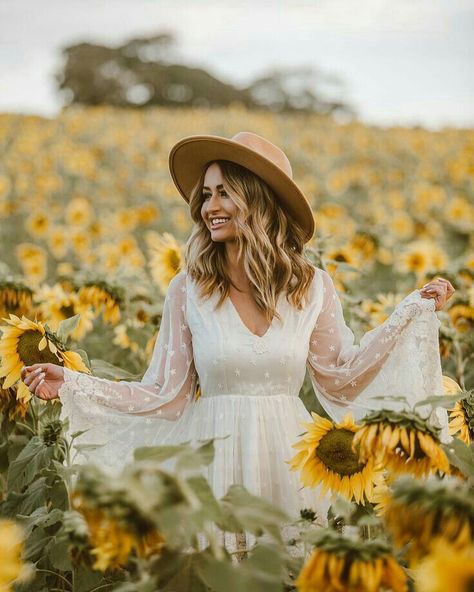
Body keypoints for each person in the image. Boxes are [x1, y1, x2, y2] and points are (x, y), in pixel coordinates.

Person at [21, 131, 454, 555]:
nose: (210, 207)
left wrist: (410, 313)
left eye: (224, 193)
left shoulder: (312, 287)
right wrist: (76, 383)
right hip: (213, 464)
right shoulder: (188, 289)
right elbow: (164, 394)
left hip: (289, 465)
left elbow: (342, 375)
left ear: (259, 199)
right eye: (206, 195)